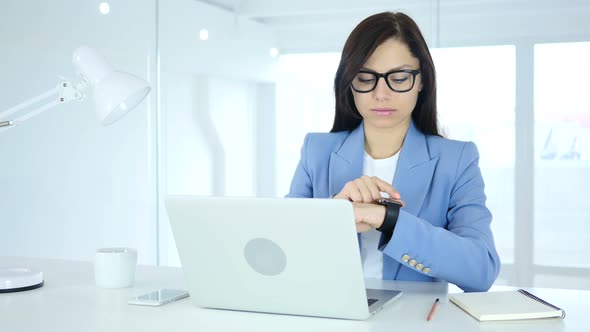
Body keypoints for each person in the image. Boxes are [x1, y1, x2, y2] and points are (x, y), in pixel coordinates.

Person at [287, 12, 500, 292]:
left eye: (399, 78)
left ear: (422, 81)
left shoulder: (457, 160)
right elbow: (283, 251)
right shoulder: (316, 151)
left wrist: (387, 219)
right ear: (349, 82)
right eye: (365, 78)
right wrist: (335, 214)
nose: (382, 94)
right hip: (331, 315)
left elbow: (481, 270)